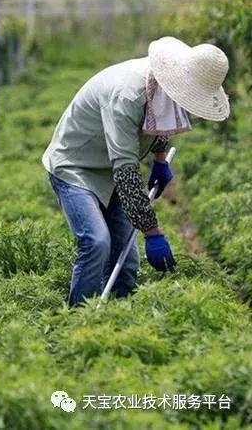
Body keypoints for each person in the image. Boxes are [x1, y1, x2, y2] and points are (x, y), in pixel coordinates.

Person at [42, 37, 229, 307]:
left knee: (126, 260)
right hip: (75, 166)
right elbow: (127, 173)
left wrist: (160, 160)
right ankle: (78, 321)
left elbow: (162, 120)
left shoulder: (164, 85)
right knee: (97, 242)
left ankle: (120, 321)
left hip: (111, 165)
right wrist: (153, 232)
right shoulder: (127, 95)